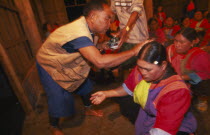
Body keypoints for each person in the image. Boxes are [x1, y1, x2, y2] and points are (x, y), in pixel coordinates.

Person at [36, 0, 145, 135]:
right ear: (93, 16)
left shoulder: (89, 28)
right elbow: (99, 62)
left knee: (85, 85)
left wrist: (103, 45)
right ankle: (54, 126)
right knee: (58, 97)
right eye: (107, 18)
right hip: (49, 64)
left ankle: (88, 109)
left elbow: (89, 47)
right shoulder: (79, 32)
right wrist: (134, 51)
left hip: (67, 61)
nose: (110, 23)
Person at [91, 41, 197, 135]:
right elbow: (128, 88)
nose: (143, 73)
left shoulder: (176, 92)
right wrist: (106, 94)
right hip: (147, 118)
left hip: (172, 127)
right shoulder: (141, 70)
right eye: (140, 67)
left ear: (163, 65)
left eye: (148, 69)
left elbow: (163, 131)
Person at [167, 27, 210, 112]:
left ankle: (201, 98)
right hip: (176, 77)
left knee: (203, 83)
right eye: (175, 40)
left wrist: (182, 77)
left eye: (182, 42)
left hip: (192, 80)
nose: (177, 45)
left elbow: (205, 74)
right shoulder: (171, 49)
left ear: (193, 42)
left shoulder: (200, 55)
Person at [111, 0, 149, 79]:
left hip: (139, 38)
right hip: (125, 38)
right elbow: (112, 12)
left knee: (142, 68)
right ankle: (127, 89)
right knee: (125, 68)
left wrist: (127, 28)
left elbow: (136, 12)